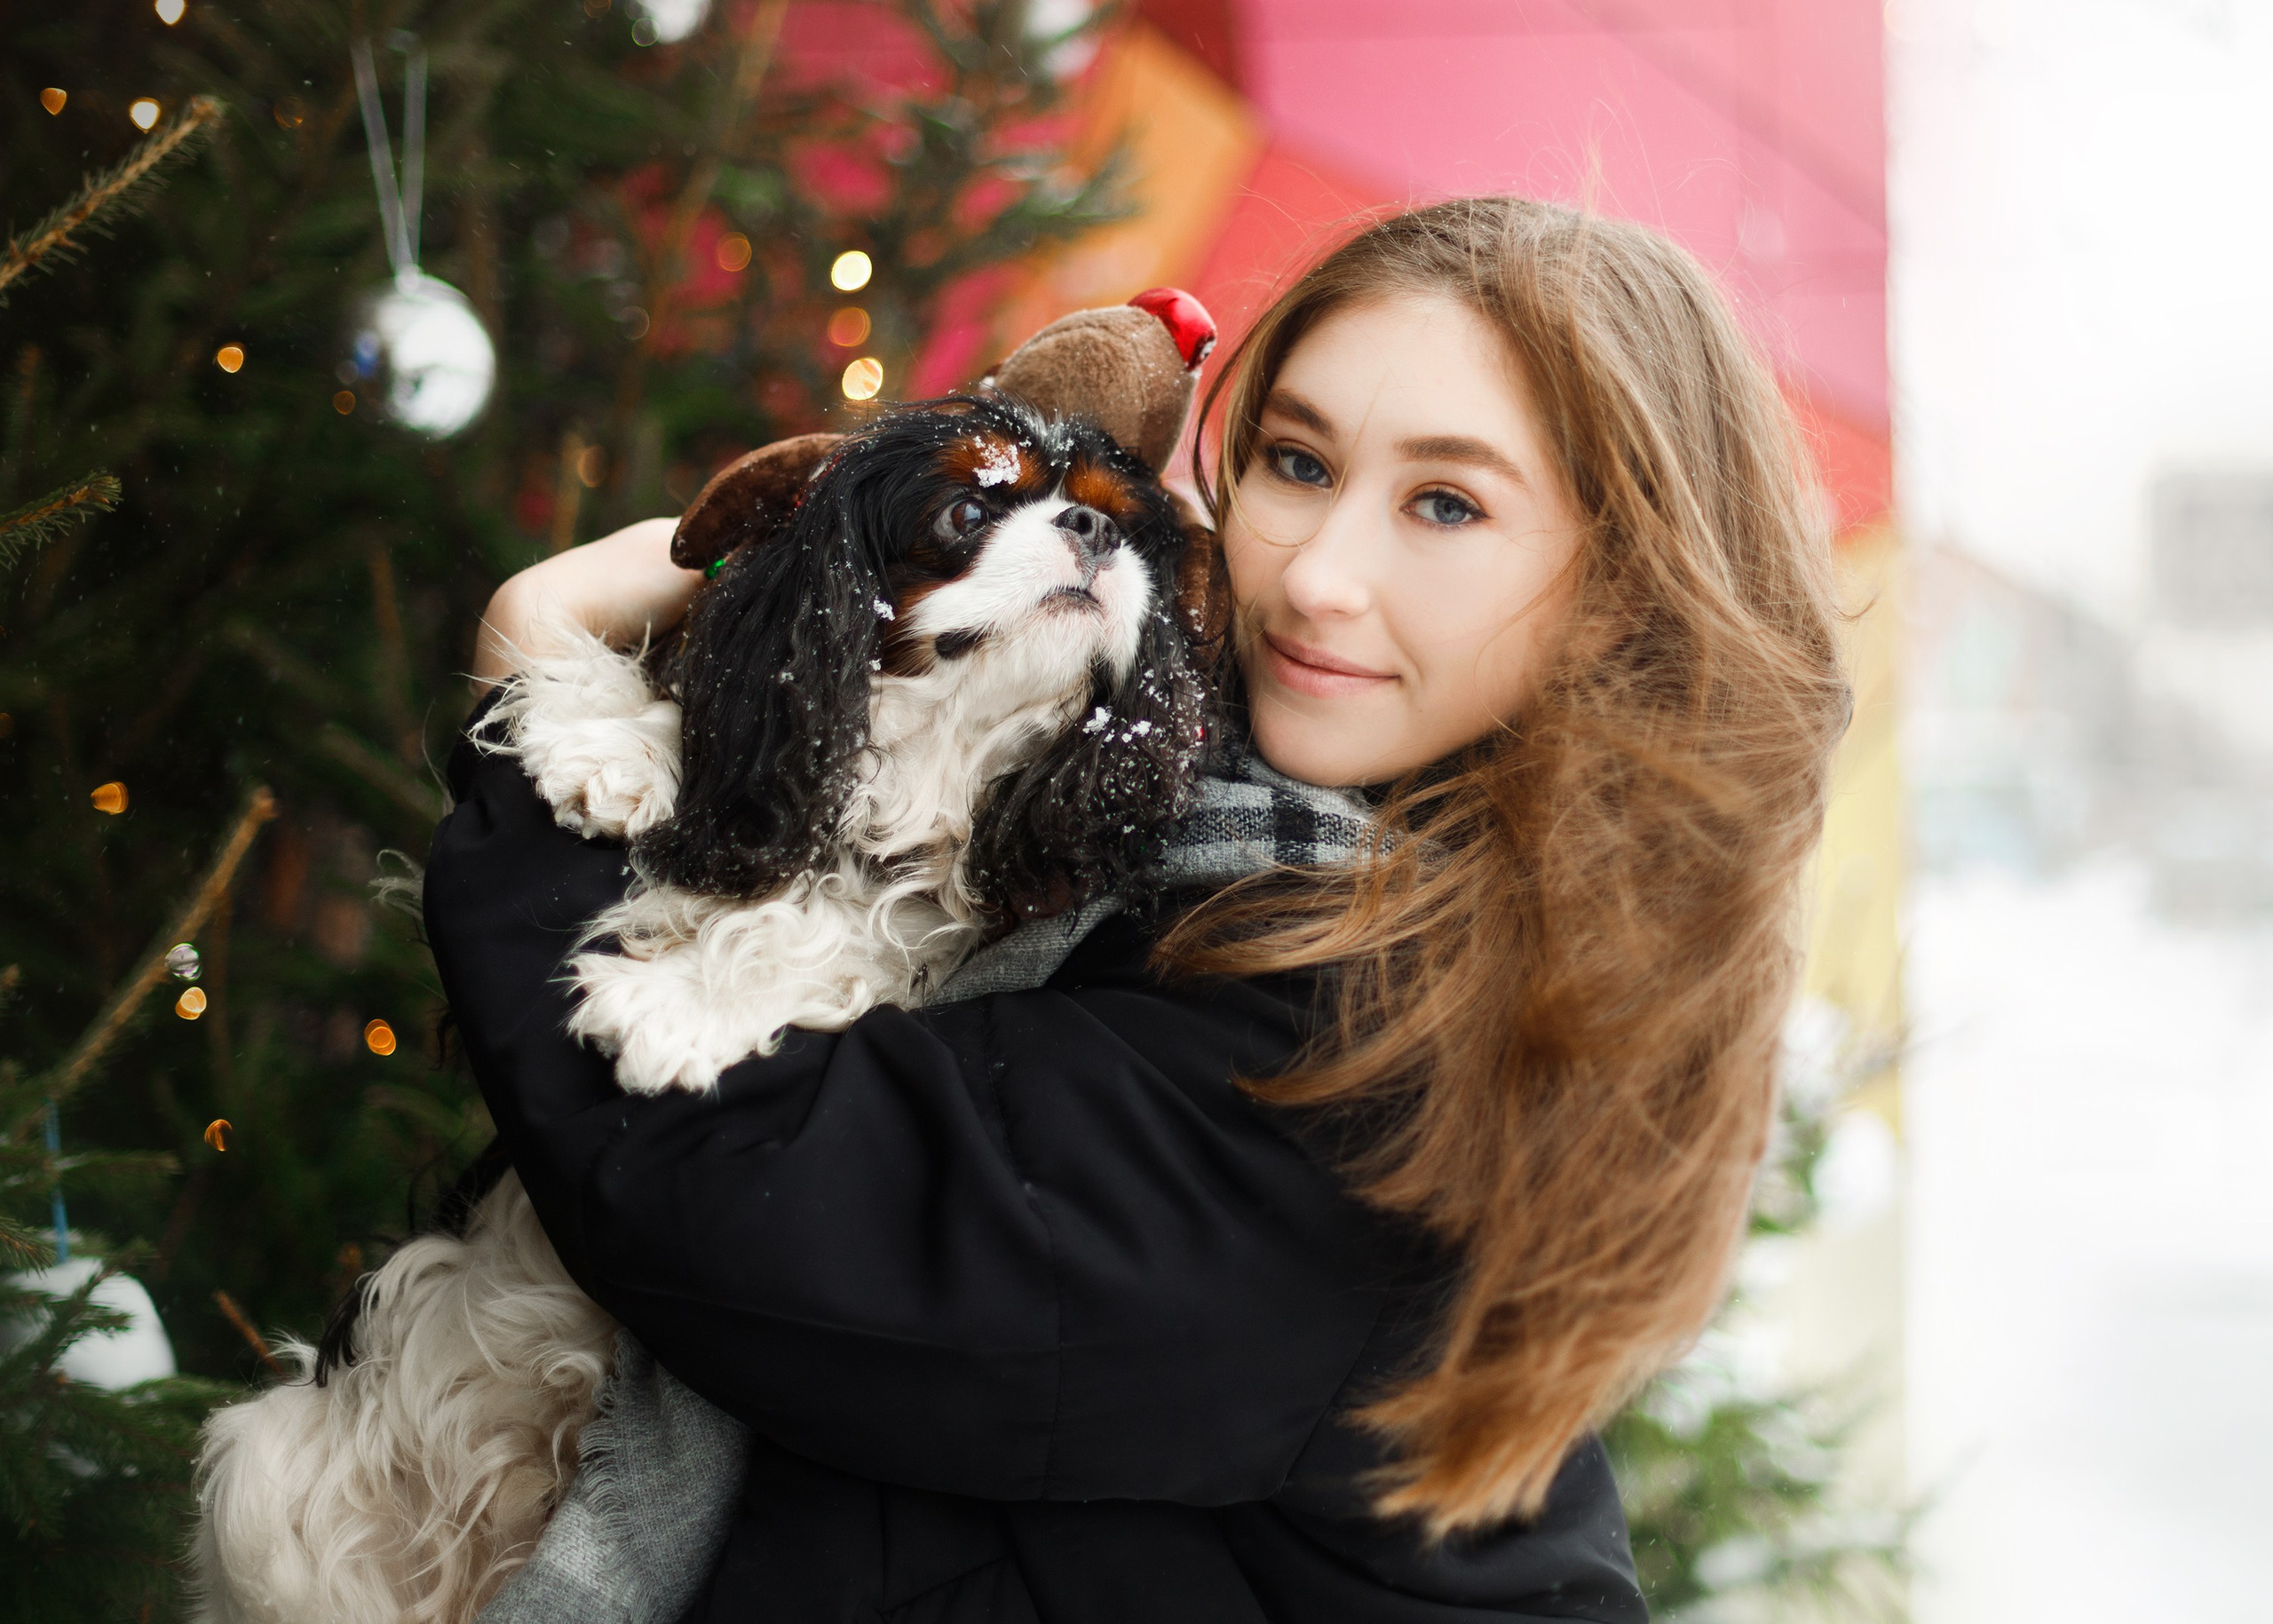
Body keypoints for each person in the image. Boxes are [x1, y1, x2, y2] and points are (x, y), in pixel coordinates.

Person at [430, 195, 1849, 1621]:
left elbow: (760, 1208)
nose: (1317, 575)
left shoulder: (1403, 1042)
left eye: (1446, 504)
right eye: (1297, 461)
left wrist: (544, 697)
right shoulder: (1155, 804)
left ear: (1621, 594)